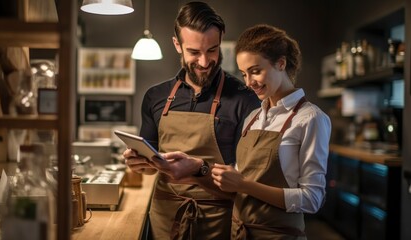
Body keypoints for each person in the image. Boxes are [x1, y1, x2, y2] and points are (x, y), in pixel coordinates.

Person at [123, 2, 260, 239]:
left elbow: (248, 184)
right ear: (177, 44)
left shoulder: (245, 100)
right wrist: (140, 164)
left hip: (218, 223)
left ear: (221, 40)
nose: (205, 62)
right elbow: (149, 167)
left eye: (213, 50)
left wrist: (200, 169)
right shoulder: (155, 97)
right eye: (194, 52)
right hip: (165, 219)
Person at [210, 24, 332, 239]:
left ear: (281, 63)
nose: (249, 83)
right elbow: (246, 174)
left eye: (255, 71)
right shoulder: (253, 117)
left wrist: (244, 185)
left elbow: (313, 199)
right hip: (239, 232)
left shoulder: (310, 119)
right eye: (244, 74)